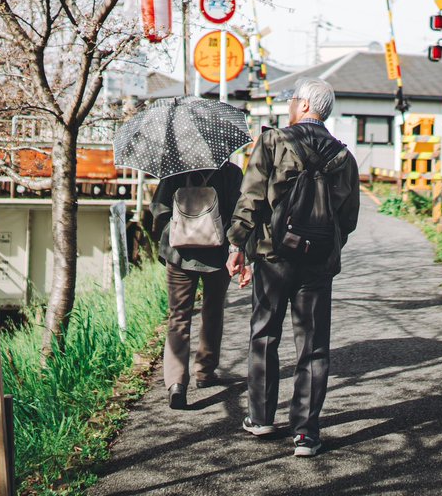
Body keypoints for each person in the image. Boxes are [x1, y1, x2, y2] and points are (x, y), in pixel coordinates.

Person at [227, 78, 360, 457]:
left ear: (303, 106)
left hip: (273, 256)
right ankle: (305, 433)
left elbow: (251, 198)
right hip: (317, 263)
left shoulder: (272, 142)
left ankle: (262, 417)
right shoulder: (344, 157)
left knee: (264, 334)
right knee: (313, 347)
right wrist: (322, 246)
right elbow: (347, 218)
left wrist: (238, 244)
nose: (290, 106)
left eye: (293, 100)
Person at [151, 159, 243, 409]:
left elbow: (158, 209)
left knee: (178, 316)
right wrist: (237, 249)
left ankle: (176, 383)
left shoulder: (174, 170)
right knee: (213, 311)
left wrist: (175, 228)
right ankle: (204, 370)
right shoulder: (231, 172)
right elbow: (239, 214)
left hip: (179, 254)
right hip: (218, 255)